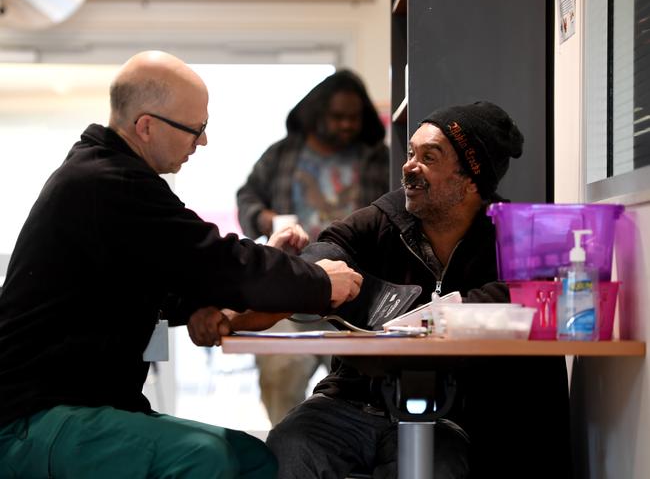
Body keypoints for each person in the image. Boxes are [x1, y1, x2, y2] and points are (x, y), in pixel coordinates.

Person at [0, 50, 363, 479]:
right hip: (32, 416)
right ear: (147, 126)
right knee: (206, 457)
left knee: (255, 460)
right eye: (196, 129)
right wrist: (321, 282)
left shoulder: (112, 177)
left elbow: (172, 272)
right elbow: (214, 260)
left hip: (82, 405)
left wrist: (200, 308)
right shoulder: (107, 182)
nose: (202, 142)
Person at [265, 101, 572, 478]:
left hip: (447, 412)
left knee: (438, 468)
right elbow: (326, 251)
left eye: (430, 157)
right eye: (411, 153)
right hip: (349, 400)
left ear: (471, 178)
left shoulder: (511, 235)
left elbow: (527, 296)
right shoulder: (382, 218)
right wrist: (319, 271)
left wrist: (418, 312)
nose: (409, 166)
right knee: (289, 447)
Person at [236, 69, 389, 426]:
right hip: (290, 288)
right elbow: (247, 196)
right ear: (316, 114)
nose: (347, 125)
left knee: (366, 383)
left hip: (359, 291)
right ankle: (286, 447)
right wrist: (265, 218)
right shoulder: (282, 155)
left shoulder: (377, 158)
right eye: (337, 117)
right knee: (281, 369)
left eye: (354, 118)